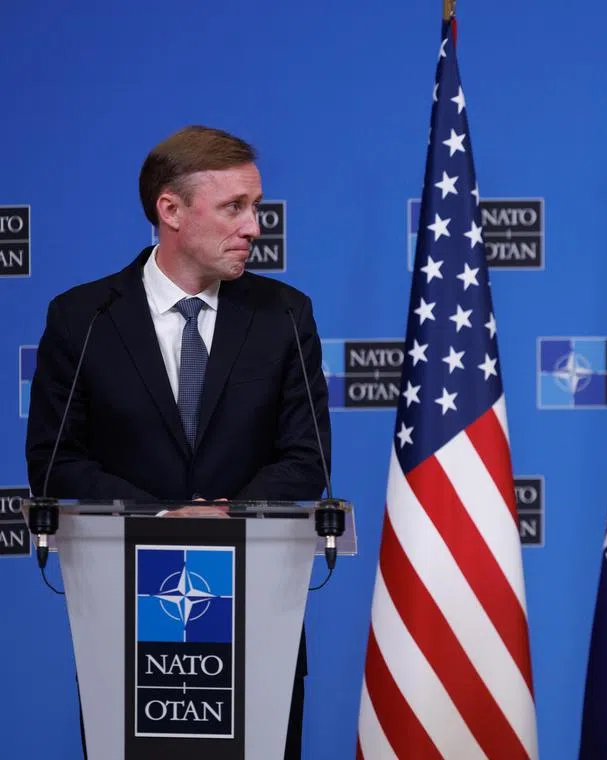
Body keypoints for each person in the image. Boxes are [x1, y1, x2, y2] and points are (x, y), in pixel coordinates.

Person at [25, 125, 330, 760]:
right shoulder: (83, 318)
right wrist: (164, 521)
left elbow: (308, 461)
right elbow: (55, 464)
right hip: (131, 624)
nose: (253, 227)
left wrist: (219, 520)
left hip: (255, 623)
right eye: (233, 207)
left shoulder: (283, 314)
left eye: (256, 207)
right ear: (170, 209)